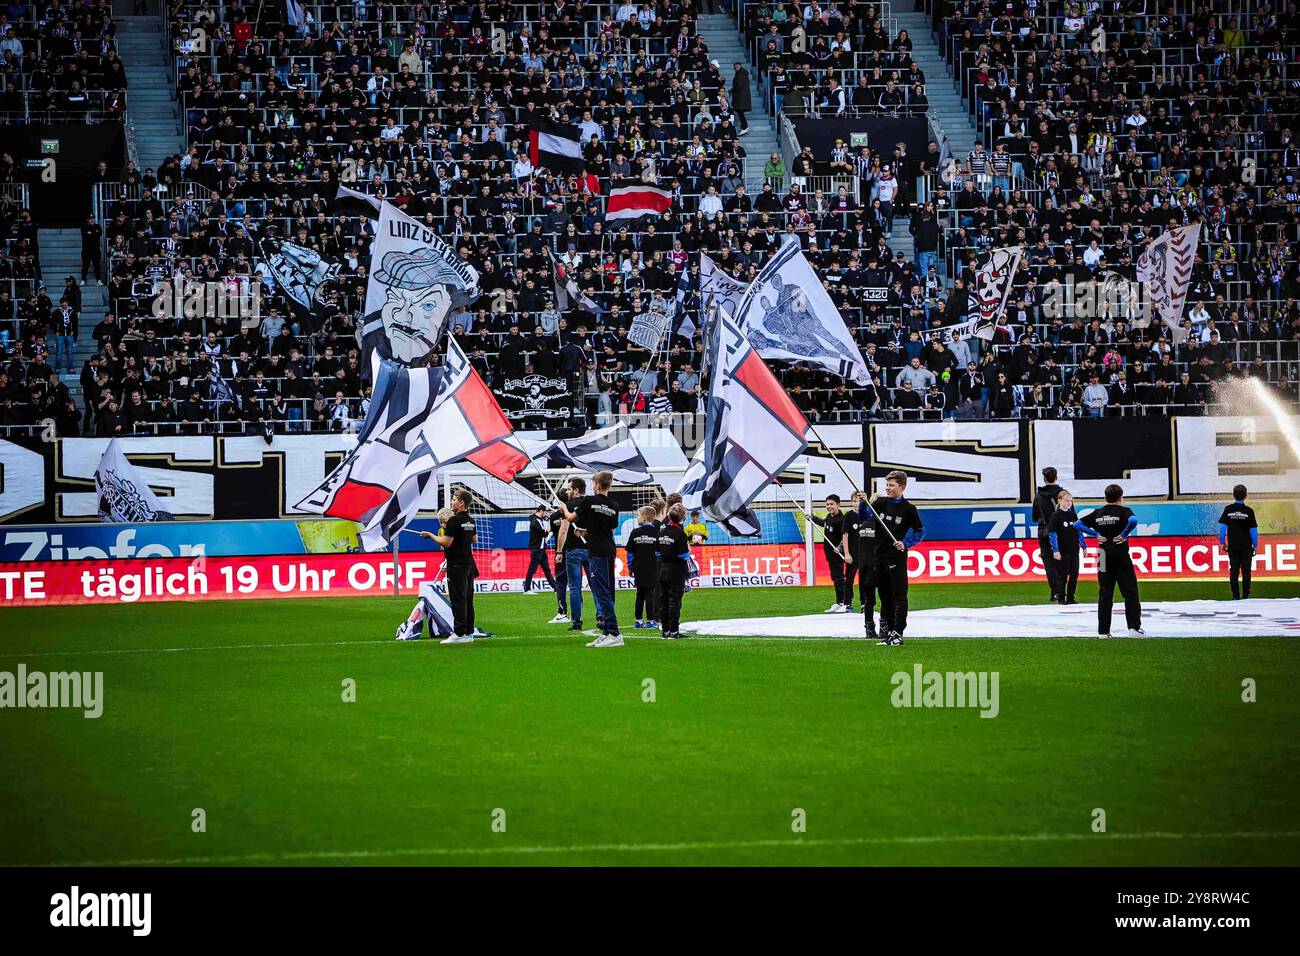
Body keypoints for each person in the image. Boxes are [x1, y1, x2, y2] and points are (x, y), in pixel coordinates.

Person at [861, 471, 924, 646]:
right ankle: (889, 632)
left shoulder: (909, 509)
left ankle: (898, 632)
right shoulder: (880, 503)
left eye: (891, 485)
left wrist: (905, 543)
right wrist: (863, 502)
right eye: (887, 485)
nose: (888, 488)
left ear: (902, 487)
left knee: (899, 597)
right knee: (885, 597)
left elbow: (920, 531)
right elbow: (865, 516)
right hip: (878, 558)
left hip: (896, 559)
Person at [1075, 484, 1144, 638]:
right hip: (1120, 554)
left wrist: (1094, 534)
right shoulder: (1124, 511)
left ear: (1105, 498)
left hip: (1103, 555)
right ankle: (1134, 628)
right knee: (1130, 591)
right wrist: (1125, 533)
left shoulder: (1098, 513)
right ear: (1121, 498)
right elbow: (1133, 520)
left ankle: (1103, 632)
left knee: (1105, 593)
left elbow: (1077, 524)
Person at [418, 491, 488, 643]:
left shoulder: (453, 521)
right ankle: (469, 633)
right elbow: (474, 539)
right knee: (468, 599)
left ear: (462, 503)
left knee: (458, 599)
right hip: (469, 563)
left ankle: (459, 633)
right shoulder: (470, 520)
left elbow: (446, 543)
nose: (451, 502)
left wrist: (430, 535)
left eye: (454, 499)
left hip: (457, 564)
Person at [565, 470, 621, 647]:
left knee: (601, 591)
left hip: (597, 551)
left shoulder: (589, 501)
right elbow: (608, 530)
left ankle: (614, 633)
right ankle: (606, 632)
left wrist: (563, 507)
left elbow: (570, 517)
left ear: (597, 485)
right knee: (608, 590)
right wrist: (586, 532)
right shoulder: (614, 505)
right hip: (609, 549)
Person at [811, 494, 854, 612]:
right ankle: (838, 602)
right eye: (827, 504)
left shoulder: (842, 519)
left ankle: (844, 602)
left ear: (838, 505)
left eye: (831, 504)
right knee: (835, 577)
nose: (829, 506)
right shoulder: (829, 517)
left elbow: (845, 536)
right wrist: (812, 518)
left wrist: (839, 548)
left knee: (840, 578)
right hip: (829, 552)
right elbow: (825, 524)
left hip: (837, 553)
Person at [557, 477, 591, 632]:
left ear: (576, 490)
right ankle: (601, 616)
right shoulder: (591, 503)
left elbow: (563, 530)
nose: (568, 491)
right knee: (596, 585)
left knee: (575, 587)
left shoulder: (568, 506)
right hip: (591, 549)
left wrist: (559, 551)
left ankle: (576, 620)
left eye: (570, 489)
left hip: (573, 551)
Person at [657, 502, 694, 639]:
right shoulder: (680, 534)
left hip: (662, 569)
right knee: (675, 601)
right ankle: (674, 630)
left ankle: (665, 630)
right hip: (677, 570)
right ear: (682, 518)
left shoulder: (661, 532)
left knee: (664, 600)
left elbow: (656, 552)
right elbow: (684, 555)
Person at [847, 491, 881, 639]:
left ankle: (869, 627)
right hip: (879, 564)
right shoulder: (882, 525)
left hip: (864, 565)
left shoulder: (864, 524)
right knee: (886, 597)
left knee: (869, 599)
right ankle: (885, 626)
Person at [1219, 484, 1258, 599]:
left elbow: (1222, 528)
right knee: (1246, 572)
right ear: (1245, 496)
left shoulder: (1228, 509)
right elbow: (1253, 530)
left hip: (1233, 546)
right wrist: (1255, 545)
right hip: (1246, 547)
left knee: (1234, 571)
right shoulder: (1249, 511)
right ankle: (1246, 595)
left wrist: (1222, 542)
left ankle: (1235, 595)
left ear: (1233, 495)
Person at [1032, 466, 1064, 602]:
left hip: (1044, 531)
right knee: (1061, 563)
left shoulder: (1038, 496)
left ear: (1044, 479)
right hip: (1061, 532)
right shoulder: (1063, 494)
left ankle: (1055, 592)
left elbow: (1034, 516)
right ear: (1056, 477)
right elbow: (1071, 514)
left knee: (1049, 563)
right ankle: (1060, 591)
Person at [627, 505, 660, 629]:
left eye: (638, 516)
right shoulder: (656, 532)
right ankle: (651, 621)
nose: (637, 518)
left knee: (640, 594)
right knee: (650, 594)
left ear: (644, 518)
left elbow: (630, 552)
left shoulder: (635, 532)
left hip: (639, 567)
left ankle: (638, 621)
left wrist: (631, 567)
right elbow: (659, 551)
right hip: (652, 567)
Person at [1047, 489, 1082, 605]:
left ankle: (1071, 597)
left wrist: (1083, 545)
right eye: (1067, 500)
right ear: (1060, 501)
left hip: (1074, 550)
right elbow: (1052, 533)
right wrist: (1055, 550)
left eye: (1071, 501)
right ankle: (1061, 597)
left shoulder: (1073, 515)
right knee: (1063, 575)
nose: (1069, 503)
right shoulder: (1056, 516)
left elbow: (1079, 531)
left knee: (1074, 574)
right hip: (1063, 550)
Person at [547, 488, 571, 623]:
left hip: (560, 552)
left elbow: (549, 531)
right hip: (575, 550)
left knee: (561, 583)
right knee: (574, 584)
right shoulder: (574, 513)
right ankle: (576, 615)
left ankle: (562, 612)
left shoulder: (554, 517)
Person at [523, 503, 556, 595]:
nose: (546, 514)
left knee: (547, 570)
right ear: (541, 511)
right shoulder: (535, 522)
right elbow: (544, 533)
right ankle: (526, 589)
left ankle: (555, 587)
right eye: (545, 512)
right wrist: (550, 525)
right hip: (536, 549)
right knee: (532, 569)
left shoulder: (538, 520)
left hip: (541, 549)